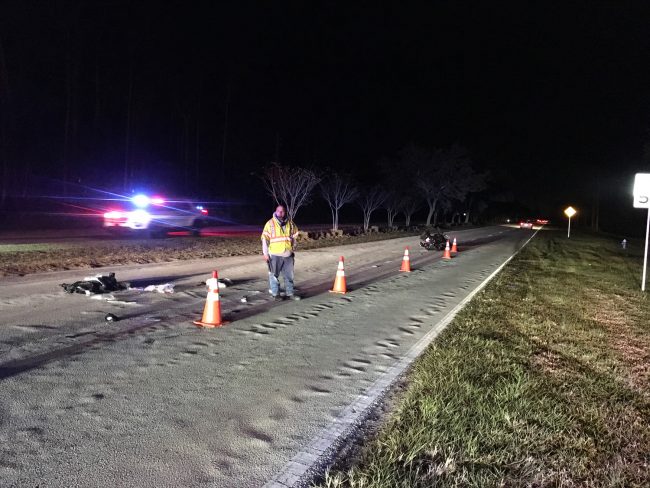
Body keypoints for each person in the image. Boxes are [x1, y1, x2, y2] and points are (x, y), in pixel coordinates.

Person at [261, 204, 301, 301]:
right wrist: (265, 253)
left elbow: (296, 236)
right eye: (278, 211)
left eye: (282, 211)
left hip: (288, 255)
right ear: (275, 211)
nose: (280, 213)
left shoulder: (291, 224)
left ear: (285, 212)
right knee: (274, 275)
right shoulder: (270, 224)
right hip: (274, 255)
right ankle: (276, 294)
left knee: (289, 275)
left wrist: (293, 248)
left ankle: (290, 293)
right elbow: (264, 239)